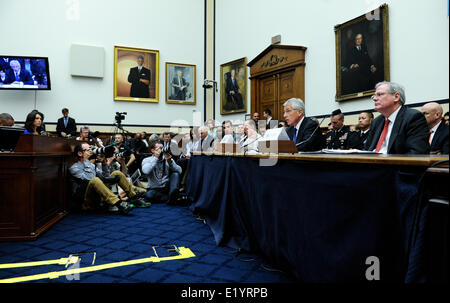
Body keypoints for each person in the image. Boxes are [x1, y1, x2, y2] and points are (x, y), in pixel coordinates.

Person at [69, 142, 135, 214]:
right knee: (95, 180)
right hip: (85, 200)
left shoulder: (91, 165)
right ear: (80, 154)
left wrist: (104, 163)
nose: (91, 151)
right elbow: (89, 179)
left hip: (97, 196)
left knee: (117, 173)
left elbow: (106, 177)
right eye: (88, 150)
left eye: (91, 149)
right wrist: (89, 162)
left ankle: (134, 197)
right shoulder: (74, 168)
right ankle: (119, 203)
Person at [364, 81, 430, 154]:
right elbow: (367, 149)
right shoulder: (376, 121)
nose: (374, 99)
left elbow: (416, 153)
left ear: (396, 97)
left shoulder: (413, 117)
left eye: (380, 94)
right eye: (374, 96)